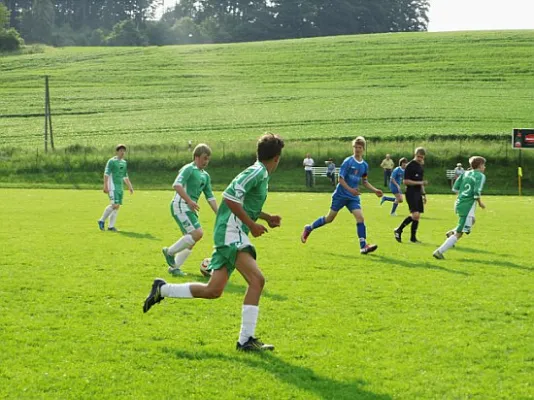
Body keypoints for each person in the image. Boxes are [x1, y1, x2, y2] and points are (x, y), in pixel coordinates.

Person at [143, 133, 285, 352]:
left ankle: (162, 289)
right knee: (257, 281)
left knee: (214, 290)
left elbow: (244, 202)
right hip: (231, 231)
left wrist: (265, 218)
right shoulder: (256, 171)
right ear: (276, 158)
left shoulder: (260, 173)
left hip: (231, 230)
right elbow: (230, 197)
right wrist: (252, 225)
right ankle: (245, 340)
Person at [300, 136, 383, 255]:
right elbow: (340, 179)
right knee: (329, 218)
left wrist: (375, 190)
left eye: (359, 147)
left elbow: (364, 181)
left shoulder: (364, 165)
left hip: (353, 197)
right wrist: (351, 190)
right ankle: (309, 228)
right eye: (355, 147)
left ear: (363, 149)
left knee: (360, 218)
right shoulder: (348, 162)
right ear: (353, 148)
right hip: (341, 195)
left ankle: (363, 246)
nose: (357, 149)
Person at [162, 144, 218, 277]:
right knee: (197, 233)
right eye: (204, 158)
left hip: (189, 208)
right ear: (196, 157)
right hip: (180, 205)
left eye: (208, 159)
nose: (206, 162)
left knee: (191, 240)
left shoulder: (205, 176)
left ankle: (174, 268)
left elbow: (210, 196)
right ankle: (169, 252)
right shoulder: (189, 169)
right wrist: (189, 200)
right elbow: (176, 185)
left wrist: (219, 213)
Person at [433, 157, 486, 259]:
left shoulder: (465, 173)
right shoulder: (480, 176)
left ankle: (451, 233)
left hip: (458, 203)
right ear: (479, 166)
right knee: (460, 233)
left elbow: (455, 188)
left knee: (472, 220)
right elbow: (476, 191)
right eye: (483, 165)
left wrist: (462, 197)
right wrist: (480, 203)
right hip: (467, 206)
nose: (484, 167)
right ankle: (439, 252)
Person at [393, 148, 427, 243]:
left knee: (417, 216)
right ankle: (399, 230)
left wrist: (424, 194)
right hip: (411, 192)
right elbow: (405, 181)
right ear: (415, 155)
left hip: (418, 193)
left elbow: (421, 183)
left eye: (422, 157)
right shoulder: (410, 166)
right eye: (418, 156)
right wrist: (420, 182)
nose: (420, 158)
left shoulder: (420, 167)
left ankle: (412, 238)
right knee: (415, 214)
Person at [97, 144, 134, 232]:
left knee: (117, 207)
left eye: (124, 151)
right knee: (115, 205)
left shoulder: (124, 162)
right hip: (112, 186)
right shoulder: (111, 161)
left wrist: (130, 187)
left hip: (119, 187)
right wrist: (105, 185)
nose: (122, 152)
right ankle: (101, 220)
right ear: (117, 152)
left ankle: (111, 226)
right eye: (121, 151)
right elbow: (106, 174)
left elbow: (125, 176)